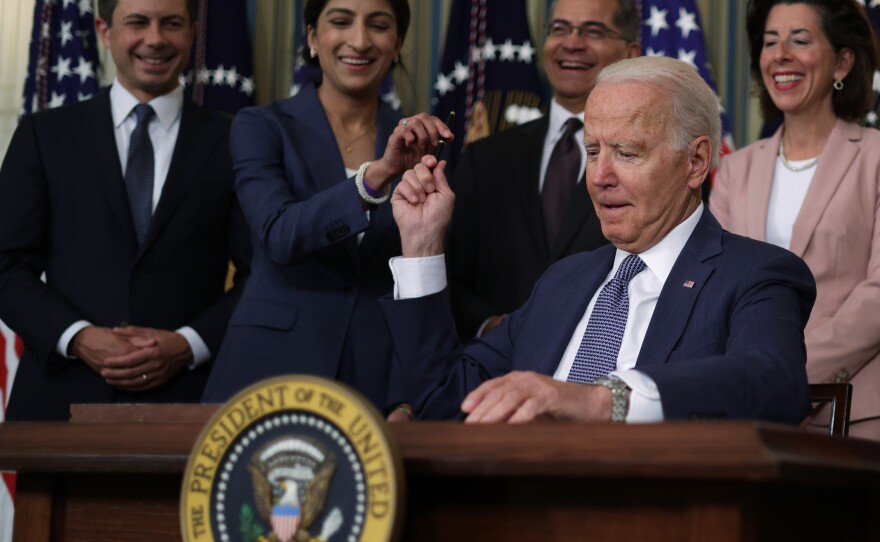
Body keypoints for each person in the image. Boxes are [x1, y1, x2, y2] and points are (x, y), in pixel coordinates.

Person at [381, 56, 815, 424]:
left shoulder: (753, 274)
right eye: (592, 152)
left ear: (697, 161)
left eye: (627, 153)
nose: (600, 177)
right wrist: (421, 247)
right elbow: (444, 400)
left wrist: (602, 399)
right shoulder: (562, 282)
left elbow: (776, 381)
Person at [0, 0, 251, 421]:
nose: (155, 39)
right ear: (104, 30)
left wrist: (189, 344)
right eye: (137, 22)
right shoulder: (44, 135)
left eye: (171, 24)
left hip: (193, 405)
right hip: (58, 404)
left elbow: (260, 274)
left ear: (192, 32)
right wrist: (78, 338)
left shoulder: (236, 141)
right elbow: (5, 264)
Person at [201, 0, 451, 414]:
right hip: (268, 370)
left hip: (376, 382)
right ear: (313, 37)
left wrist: (406, 394)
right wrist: (376, 176)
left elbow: (420, 277)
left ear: (398, 41)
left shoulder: (422, 142)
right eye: (340, 21)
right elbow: (279, 234)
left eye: (379, 25)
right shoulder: (262, 126)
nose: (359, 40)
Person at [710, 0, 880, 440]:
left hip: (854, 415)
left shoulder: (876, 157)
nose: (780, 54)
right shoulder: (734, 169)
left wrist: (779, 375)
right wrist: (749, 381)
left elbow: (877, 297)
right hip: (749, 415)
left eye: (800, 40)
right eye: (770, 42)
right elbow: (712, 290)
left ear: (842, 60)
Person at [446, 0, 640, 339]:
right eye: (559, 29)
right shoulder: (483, 159)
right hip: (493, 374)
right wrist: (491, 327)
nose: (572, 43)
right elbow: (448, 273)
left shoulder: (651, 163)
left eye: (593, 31)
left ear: (630, 52)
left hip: (602, 371)